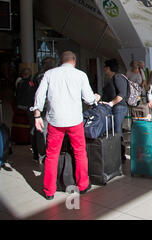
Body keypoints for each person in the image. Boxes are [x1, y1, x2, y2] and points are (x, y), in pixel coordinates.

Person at [32, 51, 100, 200]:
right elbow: (88, 99)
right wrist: (95, 97)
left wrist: (37, 115)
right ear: (74, 61)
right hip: (75, 121)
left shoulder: (49, 74)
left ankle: (49, 191)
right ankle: (83, 185)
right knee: (80, 152)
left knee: (52, 155)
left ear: (60, 61)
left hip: (55, 121)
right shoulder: (80, 75)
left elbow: (39, 95)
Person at [102, 58, 129, 162]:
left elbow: (121, 94)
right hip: (116, 108)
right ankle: (118, 154)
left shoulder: (117, 77)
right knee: (115, 130)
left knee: (117, 131)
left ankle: (121, 155)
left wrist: (111, 103)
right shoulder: (113, 78)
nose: (104, 69)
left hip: (119, 107)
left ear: (108, 68)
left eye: (105, 67)